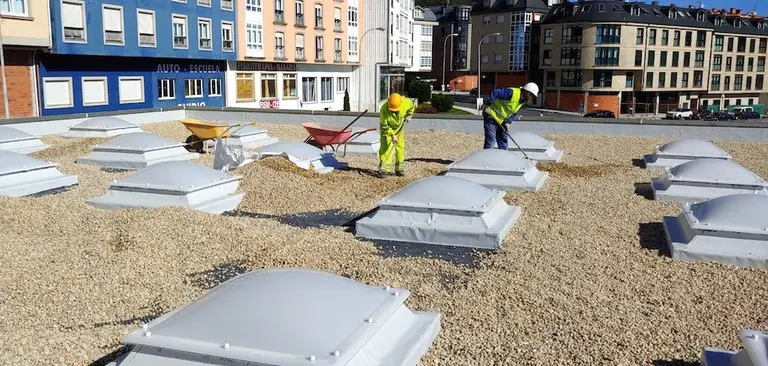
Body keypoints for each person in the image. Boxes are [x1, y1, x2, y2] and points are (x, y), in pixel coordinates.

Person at [481, 82, 539, 150]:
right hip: (491, 117)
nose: (531, 98)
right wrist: (488, 105)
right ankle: (487, 158)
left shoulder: (522, 101)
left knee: (503, 141)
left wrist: (508, 122)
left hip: (502, 121)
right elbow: (495, 92)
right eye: (531, 96)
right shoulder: (511, 93)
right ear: (528, 93)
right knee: (491, 141)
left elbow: (513, 113)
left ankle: (504, 157)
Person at [378, 93, 415, 177]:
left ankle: (399, 168)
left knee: (400, 147)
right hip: (387, 130)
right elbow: (384, 126)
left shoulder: (406, 103)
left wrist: (409, 115)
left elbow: (411, 108)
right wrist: (392, 135)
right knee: (386, 147)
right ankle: (384, 169)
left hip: (399, 128)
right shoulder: (383, 110)